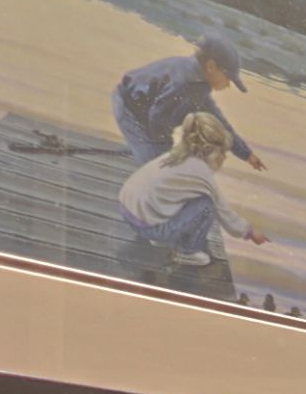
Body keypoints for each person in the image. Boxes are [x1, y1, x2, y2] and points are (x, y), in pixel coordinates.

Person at [111, 112, 259, 297]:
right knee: (206, 205)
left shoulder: (175, 156)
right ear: (211, 152)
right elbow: (224, 212)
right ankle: (187, 252)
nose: (224, 158)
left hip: (129, 211)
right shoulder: (201, 172)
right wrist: (249, 232)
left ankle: (159, 234)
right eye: (223, 153)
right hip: (148, 226)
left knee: (185, 195)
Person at [112, 36, 262, 169]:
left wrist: (246, 154)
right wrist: (166, 151)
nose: (228, 84)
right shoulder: (186, 84)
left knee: (163, 158)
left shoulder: (197, 83)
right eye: (227, 78)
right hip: (129, 109)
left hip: (142, 111)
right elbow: (157, 118)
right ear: (211, 66)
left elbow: (220, 123)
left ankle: (141, 152)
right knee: (157, 164)